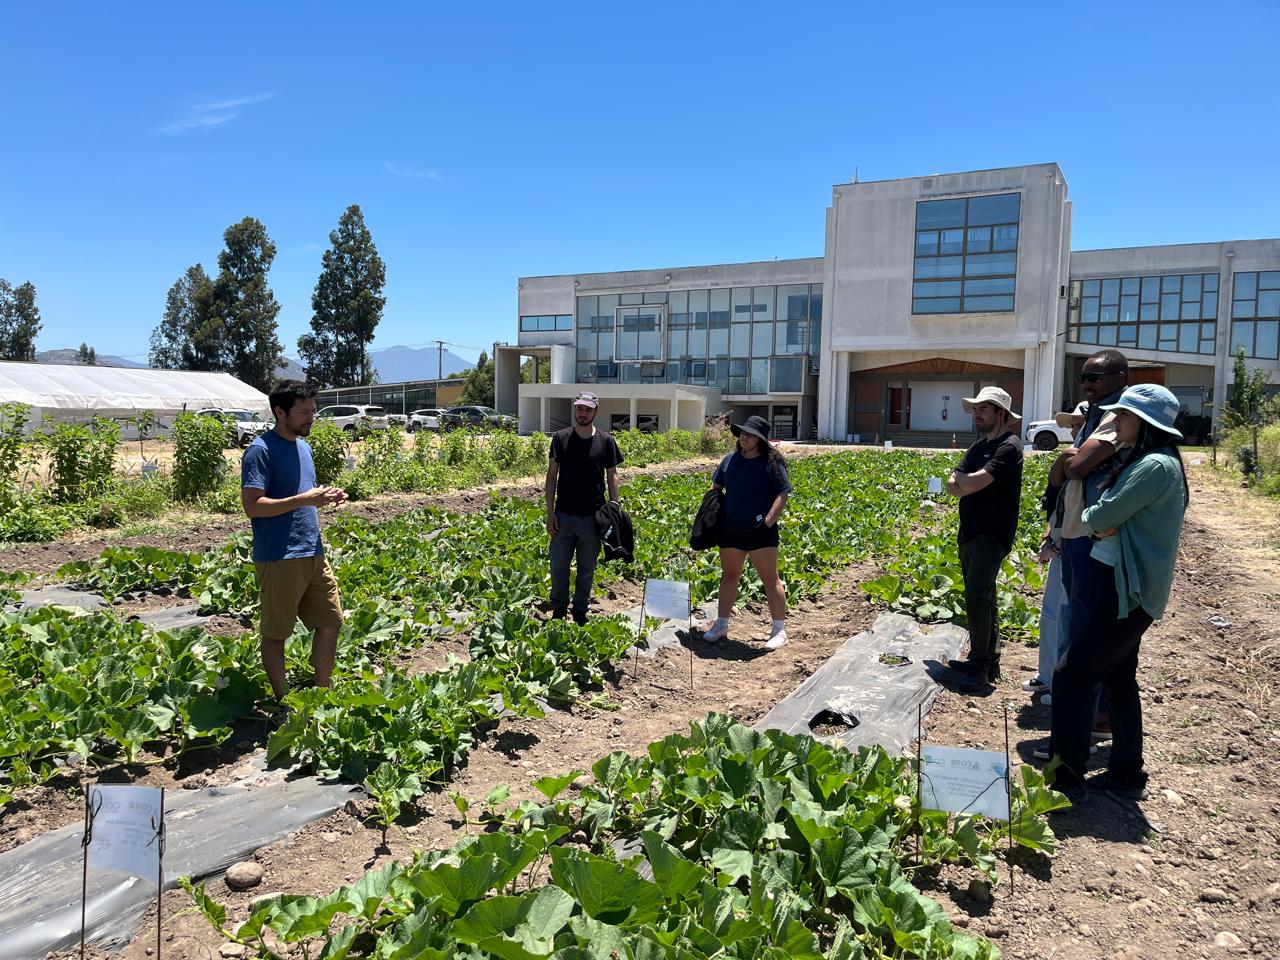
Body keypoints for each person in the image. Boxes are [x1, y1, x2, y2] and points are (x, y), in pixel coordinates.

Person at [1048, 384, 1188, 805]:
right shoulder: (1156, 461)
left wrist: (1100, 515)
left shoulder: (1153, 466)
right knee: (1118, 678)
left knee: (1071, 675)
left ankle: (1065, 780)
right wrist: (1107, 519)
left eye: (1124, 415)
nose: (1116, 421)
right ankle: (1127, 772)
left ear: (1145, 424)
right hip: (1131, 589)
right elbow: (1109, 519)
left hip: (1124, 590)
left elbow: (1099, 516)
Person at [241, 380, 348, 705]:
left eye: (313, 411)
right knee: (276, 634)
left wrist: (324, 497)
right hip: (280, 556)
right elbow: (253, 506)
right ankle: (284, 702)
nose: (311, 417)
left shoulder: (304, 448)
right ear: (280, 411)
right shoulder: (260, 450)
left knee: (331, 621)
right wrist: (304, 499)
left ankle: (322, 694)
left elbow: (302, 496)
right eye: (303, 412)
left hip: (313, 550)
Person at [1052, 350, 1131, 739]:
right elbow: (1064, 471)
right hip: (1073, 530)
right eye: (1084, 377)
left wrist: (1071, 459)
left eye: (1095, 377)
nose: (1086, 384)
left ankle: (1096, 716)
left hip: (1093, 535)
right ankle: (1088, 709)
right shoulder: (1095, 414)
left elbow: (1078, 466)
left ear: (1120, 378)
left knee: (1089, 624)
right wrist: (1070, 459)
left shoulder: (1118, 417)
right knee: (1077, 615)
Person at [944, 387, 1024, 693]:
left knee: (978, 594)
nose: (977, 414)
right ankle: (989, 660)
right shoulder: (978, 446)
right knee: (983, 597)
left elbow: (975, 482)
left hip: (991, 535)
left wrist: (964, 483)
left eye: (984, 409)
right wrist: (964, 483)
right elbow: (953, 484)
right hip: (969, 532)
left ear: (1001, 414)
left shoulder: (1009, 447)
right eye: (975, 409)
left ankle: (980, 665)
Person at [701, 415, 792, 650]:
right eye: (743, 433)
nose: (744, 437)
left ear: (760, 439)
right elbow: (716, 487)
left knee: (770, 578)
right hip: (730, 529)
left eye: (750, 435)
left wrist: (768, 522)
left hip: (760, 530)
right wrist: (711, 514)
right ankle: (721, 624)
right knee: (729, 575)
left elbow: (782, 494)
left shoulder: (772, 464)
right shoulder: (730, 460)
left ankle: (779, 630)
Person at [1025, 401, 1088, 705]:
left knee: (1067, 616)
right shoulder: (1073, 460)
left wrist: (1061, 543)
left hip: (1076, 550)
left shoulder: (1093, 464)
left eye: (1079, 425)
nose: (1074, 431)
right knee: (1051, 613)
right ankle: (1047, 674)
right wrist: (1049, 535)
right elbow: (1060, 504)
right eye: (1073, 425)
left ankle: (1062, 684)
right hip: (1059, 545)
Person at [545, 391, 622, 625]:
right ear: (575, 409)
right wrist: (550, 513)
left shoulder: (606, 441)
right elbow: (551, 476)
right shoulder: (560, 438)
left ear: (595, 411)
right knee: (559, 566)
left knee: (586, 568)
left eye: (588, 409)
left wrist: (614, 509)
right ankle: (559, 608)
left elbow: (612, 476)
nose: (583, 413)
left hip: (593, 517)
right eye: (580, 408)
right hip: (564, 515)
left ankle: (580, 609)